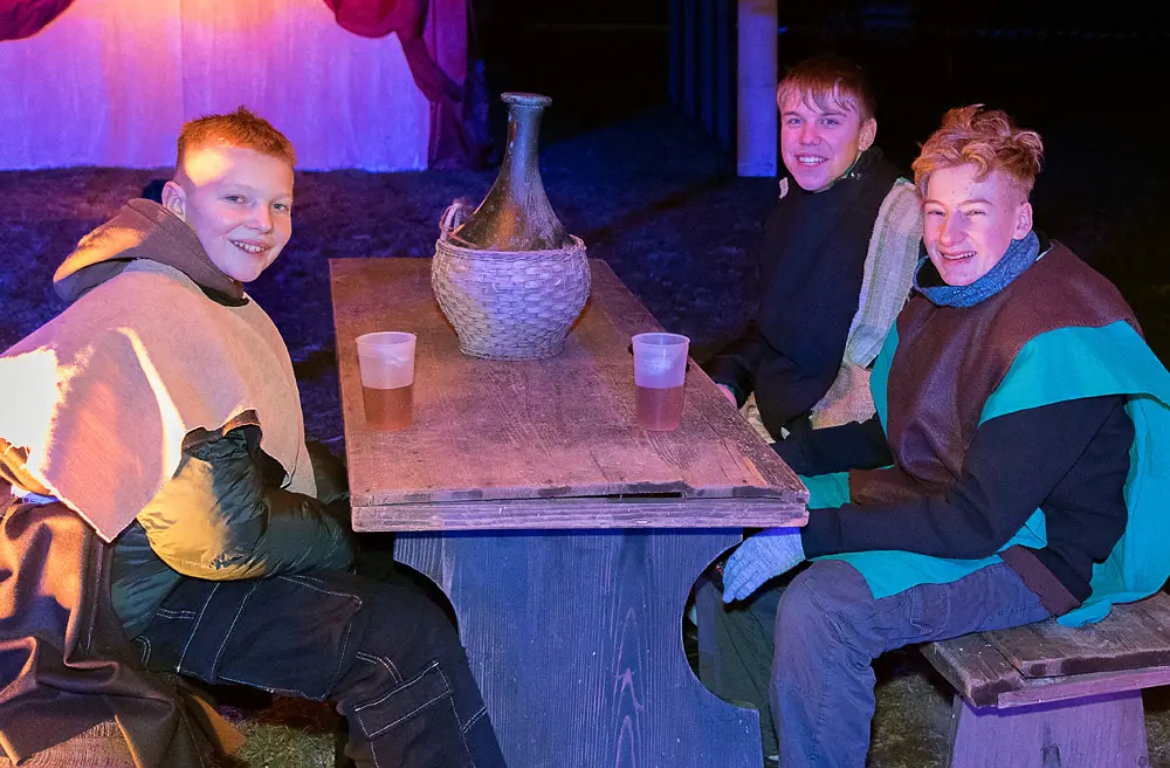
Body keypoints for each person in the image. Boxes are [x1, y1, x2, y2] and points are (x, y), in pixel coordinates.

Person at [0, 108, 507, 768]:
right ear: (177, 202)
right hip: (104, 610)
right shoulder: (161, 319)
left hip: (113, 567)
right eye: (235, 199)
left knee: (397, 581)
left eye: (279, 205)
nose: (263, 223)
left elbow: (247, 460)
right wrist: (342, 535)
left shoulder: (169, 285)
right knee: (397, 642)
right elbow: (218, 541)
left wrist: (351, 506)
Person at [696, 105, 1170, 767]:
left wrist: (809, 536)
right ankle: (754, 750)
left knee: (824, 606)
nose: (949, 235)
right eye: (937, 211)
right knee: (731, 528)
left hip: (1034, 553)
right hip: (943, 498)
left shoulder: (1057, 334)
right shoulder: (941, 297)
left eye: (974, 212)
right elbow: (893, 435)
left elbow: (977, 522)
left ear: (1021, 219)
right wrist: (772, 463)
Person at [702, 54, 921, 441]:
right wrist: (728, 379)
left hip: (834, 440)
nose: (807, 137)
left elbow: (901, 383)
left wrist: (796, 451)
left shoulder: (903, 218)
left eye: (830, 121)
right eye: (794, 120)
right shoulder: (792, 199)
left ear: (866, 134)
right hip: (770, 412)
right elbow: (770, 330)